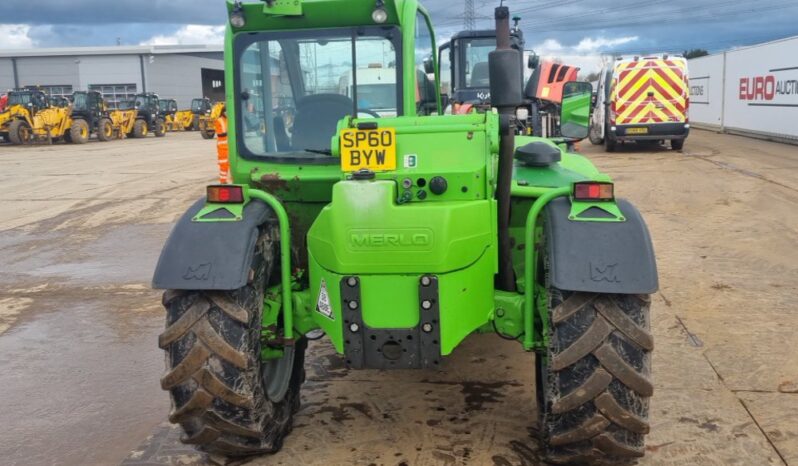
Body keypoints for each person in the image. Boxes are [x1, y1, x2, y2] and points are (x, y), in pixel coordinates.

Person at [214, 105, 229, 184]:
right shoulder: (219, 120)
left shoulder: (229, 120)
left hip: (230, 147)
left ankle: (230, 181)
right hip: (222, 148)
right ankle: (223, 181)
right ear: (223, 112)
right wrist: (229, 133)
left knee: (231, 165)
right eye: (226, 112)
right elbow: (220, 134)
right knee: (223, 165)